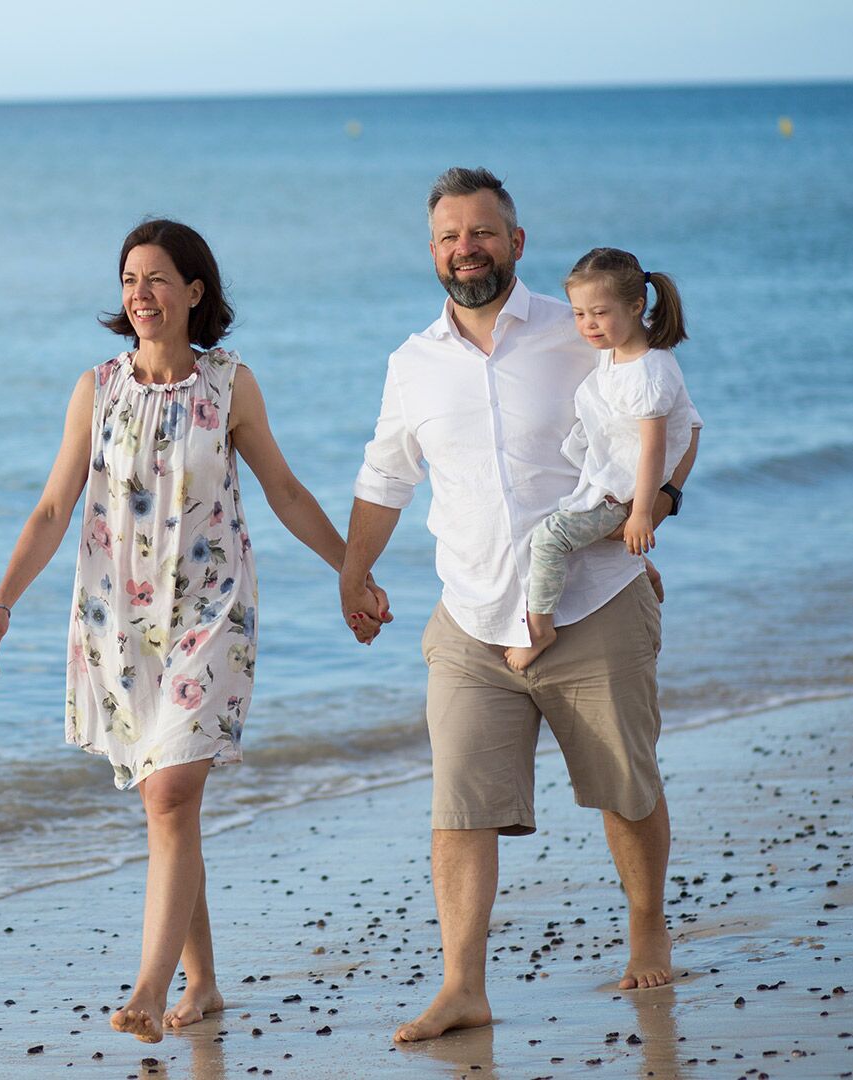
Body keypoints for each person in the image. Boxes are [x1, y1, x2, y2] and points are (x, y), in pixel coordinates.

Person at [0, 219, 383, 1044]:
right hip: (119, 624)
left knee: (168, 793)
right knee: (171, 804)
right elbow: (54, 507)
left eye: (156, 279)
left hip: (211, 611)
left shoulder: (231, 386)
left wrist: (351, 570)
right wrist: (3, 599)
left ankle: (150, 990)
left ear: (195, 291)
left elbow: (286, 491)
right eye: (129, 280)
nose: (140, 295)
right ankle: (207, 983)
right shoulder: (98, 388)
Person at [338, 168, 701, 1043]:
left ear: (516, 242)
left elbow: (678, 421)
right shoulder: (412, 363)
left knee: (626, 786)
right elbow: (387, 476)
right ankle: (463, 984)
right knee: (460, 805)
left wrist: (653, 511)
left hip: (596, 604)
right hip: (469, 615)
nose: (468, 248)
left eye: (483, 232)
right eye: (450, 237)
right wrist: (354, 574)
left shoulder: (580, 328)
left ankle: (646, 923)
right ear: (432, 254)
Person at [505, 248, 703, 672]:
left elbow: (654, 447)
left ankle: (539, 629)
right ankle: (640, 569)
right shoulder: (618, 349)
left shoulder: (647, 375)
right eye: (578, 314)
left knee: (550, 539)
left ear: (636, 306)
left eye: (599, 313)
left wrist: (643, 513)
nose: (587, 325)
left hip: (623, 494)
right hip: (608, 479)